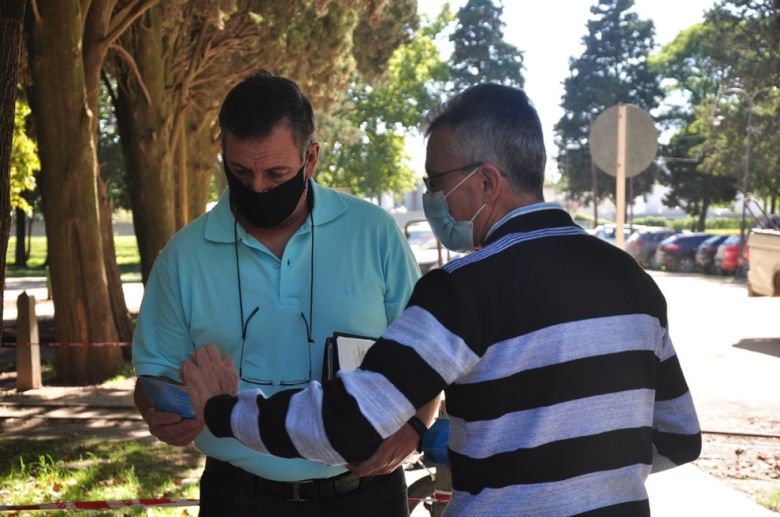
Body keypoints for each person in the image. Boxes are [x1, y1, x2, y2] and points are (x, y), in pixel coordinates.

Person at [181, 83, 702, 516]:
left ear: (487, 182)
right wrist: (581, 470)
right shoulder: (632, 280)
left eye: (437, 181)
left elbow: (346, 426)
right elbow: (680, 437)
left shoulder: (464, 289)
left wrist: (224, 410)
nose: (432, 198)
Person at [132, 71, 437, 516]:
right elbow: (152, 377)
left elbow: (427, 358)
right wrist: (156, 412)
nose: (257, 187)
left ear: (310, 158)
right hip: (238, 496)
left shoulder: (374, 234)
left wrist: (414, 426)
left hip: (366, 491)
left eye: (276, 173)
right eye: (240, 171)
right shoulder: (183, 255)